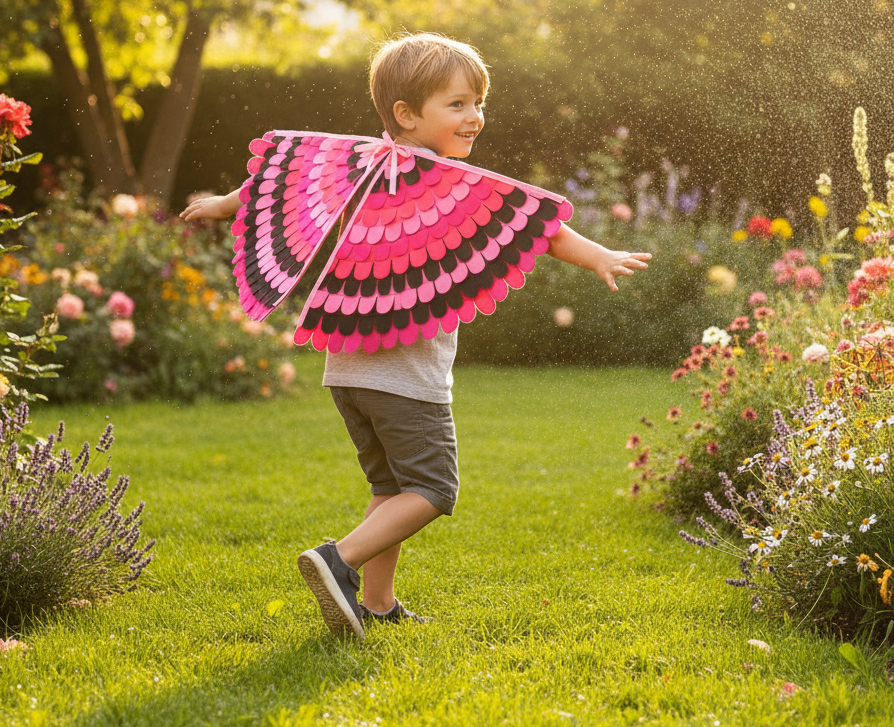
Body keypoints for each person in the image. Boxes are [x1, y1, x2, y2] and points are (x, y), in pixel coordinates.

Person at [181, 33, 651, 639]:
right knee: (430, 488)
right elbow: (534, 221)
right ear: (406, 114)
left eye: (479, 101)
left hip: (347, 371)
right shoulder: (449, 180)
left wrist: (222, 203)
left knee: (391, 487)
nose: (475, 115)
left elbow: (280, 178)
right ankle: (338, 560)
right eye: (457, 104)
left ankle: (376, 605)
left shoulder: (350, 163)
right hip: (404, 378)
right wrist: (598, 256)